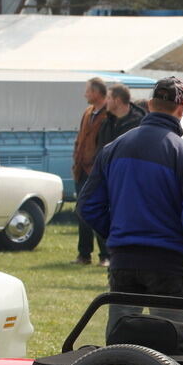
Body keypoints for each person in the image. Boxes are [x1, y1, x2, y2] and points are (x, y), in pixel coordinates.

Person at [78, 76, 183, 322]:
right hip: (169, 262)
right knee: (171, 347)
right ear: (181, 110)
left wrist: (120, 233)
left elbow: (88, 205)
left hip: (124, 259)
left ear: (150, 105)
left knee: (121, 346)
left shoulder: (113, 148)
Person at [72, 77, 110, 266]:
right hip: (82, 170)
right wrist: (77, 159)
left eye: (88, 90)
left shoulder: (107, 115)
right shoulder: (88, 112)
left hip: (97, 171)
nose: (85, 94)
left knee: (99, 211)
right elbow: (80, 139)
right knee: (82, 212)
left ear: (96, 92)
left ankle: (105, 256)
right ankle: (84, 254)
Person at [95, 83, 146, 156]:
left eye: (109, 98)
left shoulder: (138, 125)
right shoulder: (106, 123)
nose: (106, 102)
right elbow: (99, 151)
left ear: (117, 101)